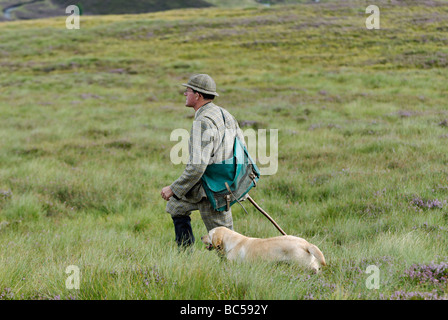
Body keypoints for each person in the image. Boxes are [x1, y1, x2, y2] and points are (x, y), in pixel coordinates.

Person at [161, 74, 245, 248]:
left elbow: (197, 166)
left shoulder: (203, 122)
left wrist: (174, 188)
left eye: (188, 90)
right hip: (220, 183)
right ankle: (185, 257)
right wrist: (237, 180)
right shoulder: (224, 113)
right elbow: (242, 148)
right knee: (177, 206)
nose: (185, 94)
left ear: (197, 95)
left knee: (225, 243)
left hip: (212, 191)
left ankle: (232, 273)